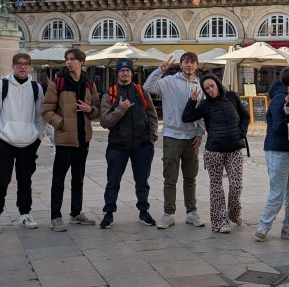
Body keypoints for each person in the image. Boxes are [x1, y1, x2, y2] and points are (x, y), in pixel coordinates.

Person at [144, 52, 207, 229]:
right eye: (186, 62)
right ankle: (168, 213)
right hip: (172, 136)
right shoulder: (169, 81)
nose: (189, 65)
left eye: (192, 62)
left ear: (196, 65)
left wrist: (200, 133)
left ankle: (191, 212)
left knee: (190, 178)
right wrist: (160, 70)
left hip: (192, 138)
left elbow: (202, 112)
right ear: (181, 65)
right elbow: (147, 87)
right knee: (170, 178)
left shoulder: (200, 85)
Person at [182, 74, 250, 233]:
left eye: (212, 86)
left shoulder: (232, 97)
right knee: (216, 186)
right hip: (214, 150)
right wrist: (192, 101)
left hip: (234, 149)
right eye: (206, 89)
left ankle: (234, 213)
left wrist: (241, 133)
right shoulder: (205, 105)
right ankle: (220, 222)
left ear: (218, 84)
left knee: (236, 185)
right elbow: (186, 117)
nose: (210, 90)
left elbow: (245, 116)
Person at [0, 53, 45, 233]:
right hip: (5, 141)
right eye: (18, 64)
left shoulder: (36, 88)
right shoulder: (2, 85)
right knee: (1, 180)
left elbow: (40, 116)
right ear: (13, 67)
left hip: (28, 142)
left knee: (25, 181)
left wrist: (38, 136)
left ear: (30, 67)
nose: (22, 67)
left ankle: (25, 214)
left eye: (26, 64)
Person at [42, 48, 100, 232]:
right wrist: (61, 123)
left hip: (83, 138)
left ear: (81, 62)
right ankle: (55, 217)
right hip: (65, 139)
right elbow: (46, 111)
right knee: (58, 179)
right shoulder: (57, 82)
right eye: (67, 59)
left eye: (73, 59)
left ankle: (76, 213)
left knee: (78, 178)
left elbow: (97, 109)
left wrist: (90, 110)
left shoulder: (89, 83)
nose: (69, 62)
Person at [98, 59, 159, 229]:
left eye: (128, 70)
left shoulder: (141, 91)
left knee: (142, 181)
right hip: (117, 145)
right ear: (117, 73)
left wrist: (151, 136)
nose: (125, 73)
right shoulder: (109, 93)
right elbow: (104, 121)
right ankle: (109, 213)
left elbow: (152, 114)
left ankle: (143, 211)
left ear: (132, 73)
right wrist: (121, 109)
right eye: (122, 70)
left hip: (142, 144)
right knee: (113, 181)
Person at [255, 67, 289, 241]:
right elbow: (278, 127)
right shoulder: (279, 98)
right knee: (278, 191)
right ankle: (263, 226)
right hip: (278, 150)